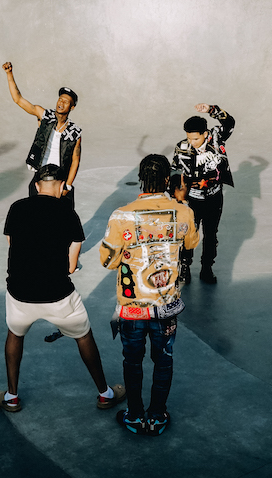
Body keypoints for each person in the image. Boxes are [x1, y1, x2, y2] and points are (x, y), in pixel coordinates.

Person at [0, 163, 126, 413]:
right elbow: (71, 266)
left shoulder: (16, 208)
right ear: (63, 186)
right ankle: (105, 394)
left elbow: (12, 243)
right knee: (83, 336)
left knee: (15, 334)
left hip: (20, 292)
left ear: (36, 186)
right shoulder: (68, 213)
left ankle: (11, 397)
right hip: (58, 295)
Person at [100, 154, 199, 436]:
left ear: (141, 179)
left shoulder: (122, 215)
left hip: (132, 309)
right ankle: (157, 416)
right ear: (168, 180)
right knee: (163, 360)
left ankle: (134, 415)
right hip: (166, 308)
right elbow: (191, 242)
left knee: (132, 362)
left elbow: (107, 260)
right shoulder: (184, 212)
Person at [171, 103, 235, 284]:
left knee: (211, 235)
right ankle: (185, 267)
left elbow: (229, 123)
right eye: (189, 138)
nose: (192, 142)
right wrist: (177, 198)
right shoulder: (181, 147)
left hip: (214, 198)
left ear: (205, 134)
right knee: (188, 234)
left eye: (196, 138)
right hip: (192, 200)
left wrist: (212, 110)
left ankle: (207, 267)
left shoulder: (216, 138)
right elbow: (175, 173)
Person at [2, 61, 81, 205]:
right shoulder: (45, 116)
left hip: (60, 180)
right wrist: (9, 74)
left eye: (66, 101)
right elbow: (18, 99)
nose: (61, 103)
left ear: (72, 107)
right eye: (60, 99)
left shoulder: (74, 132)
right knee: (36, 213)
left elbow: (75, 161)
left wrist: (68, 186)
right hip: (41, 176)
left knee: (62, 215)